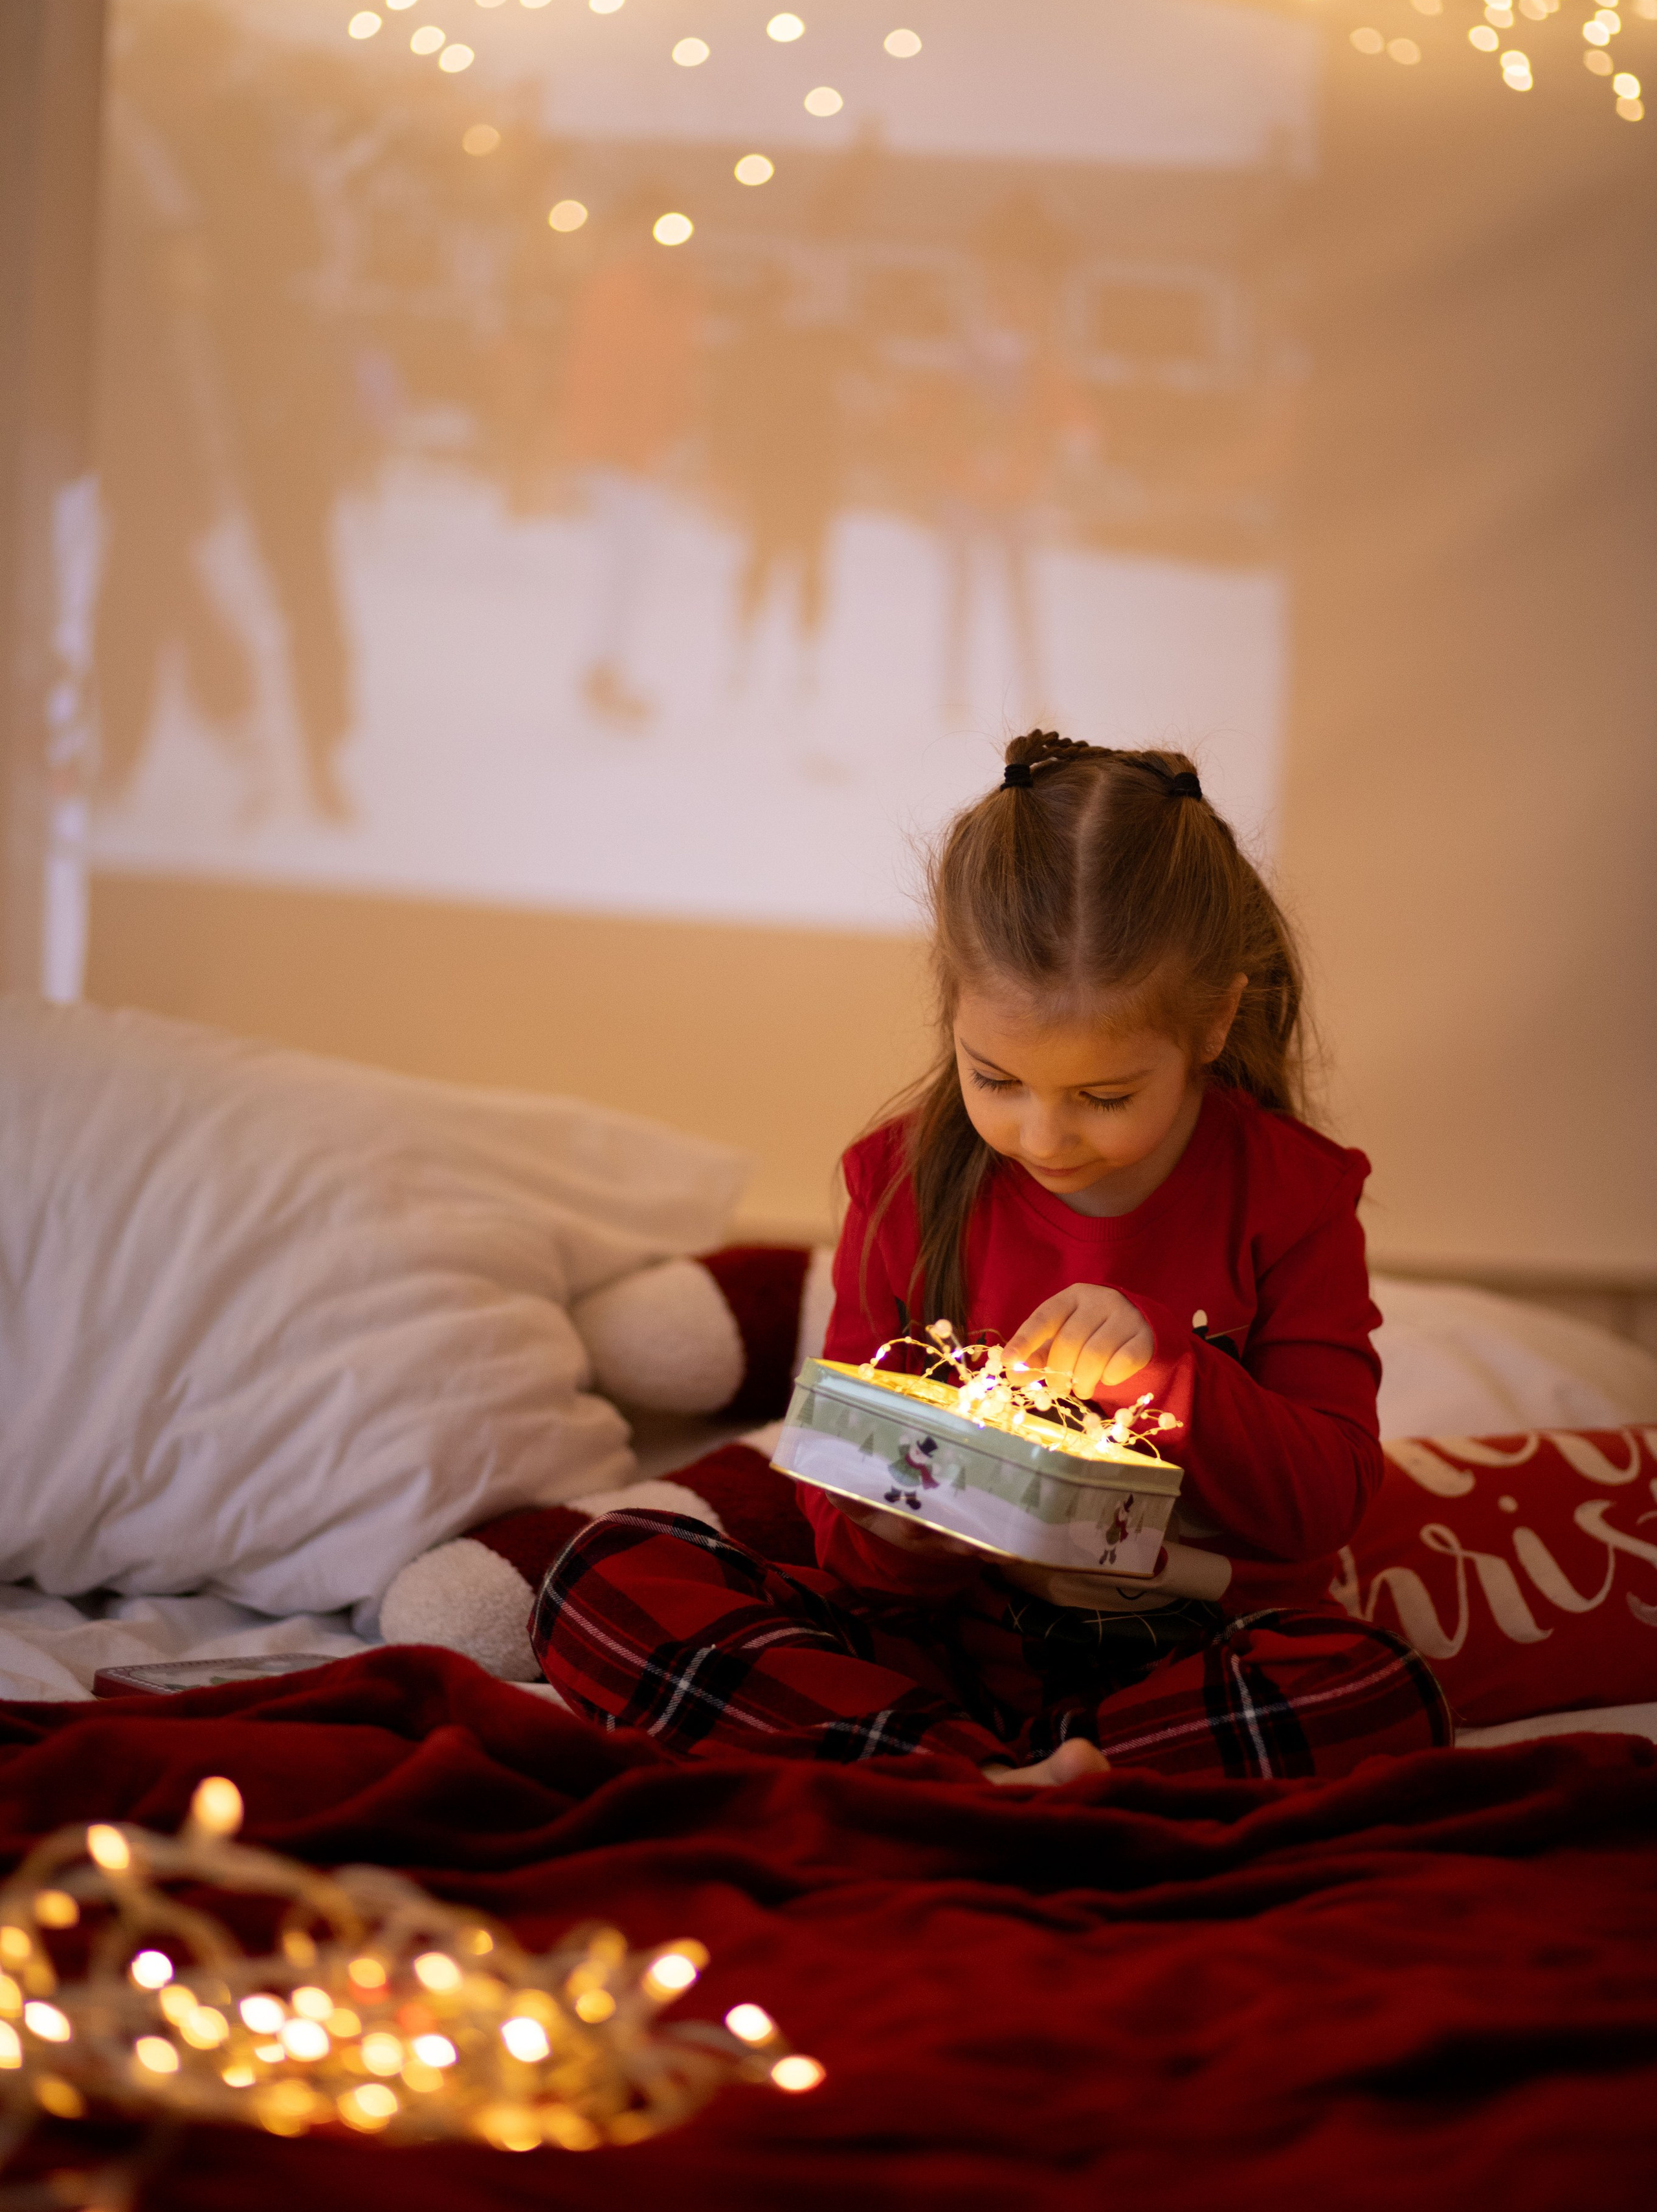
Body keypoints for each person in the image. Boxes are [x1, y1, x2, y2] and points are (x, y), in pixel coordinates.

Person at [532, 732, 1450, 1787]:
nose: (1046, 1137)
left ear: (1214, 1025)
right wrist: (893, 1535)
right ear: (953, 1010)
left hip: (1184, 1651)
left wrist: (1174, 1372)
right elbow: (841, 1512)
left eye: (1105, 1098)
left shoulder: (1290, 1193)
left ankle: (946, 1777)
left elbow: (1324, 1505)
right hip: (938, 1650)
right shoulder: (908, 1183)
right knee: (600, 1575)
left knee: (1374, 1683)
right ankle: (1002, 1776)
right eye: (996, 1079)